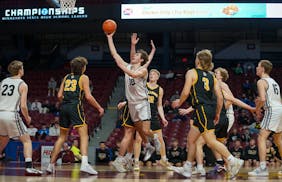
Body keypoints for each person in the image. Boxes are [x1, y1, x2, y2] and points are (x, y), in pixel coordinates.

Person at [171, 49, 243, 179]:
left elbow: (186, 92)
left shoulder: (192, 72)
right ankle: (187, 167)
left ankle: (232, 160)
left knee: (210, 141)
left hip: (202, 109)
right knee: (192, 139)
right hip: (208, 109)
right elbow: (220, 98)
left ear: (198, 60)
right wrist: (216, 113)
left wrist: (179, 102)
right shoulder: (212, 76)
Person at [106, 32, 161, 172]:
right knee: (134, 129)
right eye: (134, 54)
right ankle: (146, 146)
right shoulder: (129, 65)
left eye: (136, 55)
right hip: (130, 103)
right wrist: (109, 38)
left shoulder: (143, 70)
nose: (133, 56)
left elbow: (133, 74)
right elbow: (114, 54)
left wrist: (121, 66)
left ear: (141, 60)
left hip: (142, 103)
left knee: (144, 130)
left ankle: (153, 138)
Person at [46, 56, 104, 175]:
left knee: (62, 137)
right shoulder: (84, 77)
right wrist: (99, 107)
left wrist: (66, 102)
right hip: (75, 106)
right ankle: (84, 164)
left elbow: (59, 95)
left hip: (63, 108)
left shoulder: (66, 77)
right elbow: (88, 96)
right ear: (83, 68)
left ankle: (50, 165)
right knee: (84, 135)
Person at [0, 60, 42, 175]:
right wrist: (27, 117)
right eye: (22, 68)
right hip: (11, 114)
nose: (23, 70)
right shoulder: (22, 84)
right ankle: (29, 167)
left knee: (3, 139)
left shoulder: (3, 81)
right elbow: (23, 105)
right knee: (27, 140)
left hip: (0, 113)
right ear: (19, 70)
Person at [248, 60, 282, 176]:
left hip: (272, 110)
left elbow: (262, 99)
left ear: (262, 68)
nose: (256, 68)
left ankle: (262, 168)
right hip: (280, 109)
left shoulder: (261, 81)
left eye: (258, 66)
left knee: (261, 137)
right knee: (278, 140)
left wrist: (257, 109)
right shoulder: (274, 82)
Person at [133, 69, 171, 171]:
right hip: (142, 115)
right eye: (150, 74)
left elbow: (159, 106)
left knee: (160, 140)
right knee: (138, 139)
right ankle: (136, 162)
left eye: (154, 74)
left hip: (153, 116)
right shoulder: (144, 85)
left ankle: (163, 159)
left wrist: (163, 118)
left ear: (158, 77)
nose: (151, 75)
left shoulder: (160, 89)